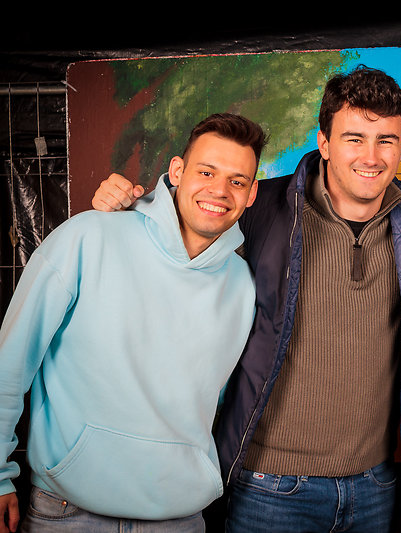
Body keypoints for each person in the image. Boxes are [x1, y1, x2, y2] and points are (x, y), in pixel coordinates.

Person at [90, 65, 401, 533]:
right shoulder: (263, 206)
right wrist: (131, 203)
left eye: (386, 141)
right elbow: (189, 219)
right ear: (324, 143)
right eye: (354, 139)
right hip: (268, 486)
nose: (371, 157)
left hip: (374, 487)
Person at [0, 113, 263, 532]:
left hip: (178, 518)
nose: (219, 190)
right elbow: (9, 364)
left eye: (237, 180)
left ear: (251, 194)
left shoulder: (242, 286)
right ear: (176, 171)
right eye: (206, 171)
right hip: (67, 512)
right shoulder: (87, 237)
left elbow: (217, 402)